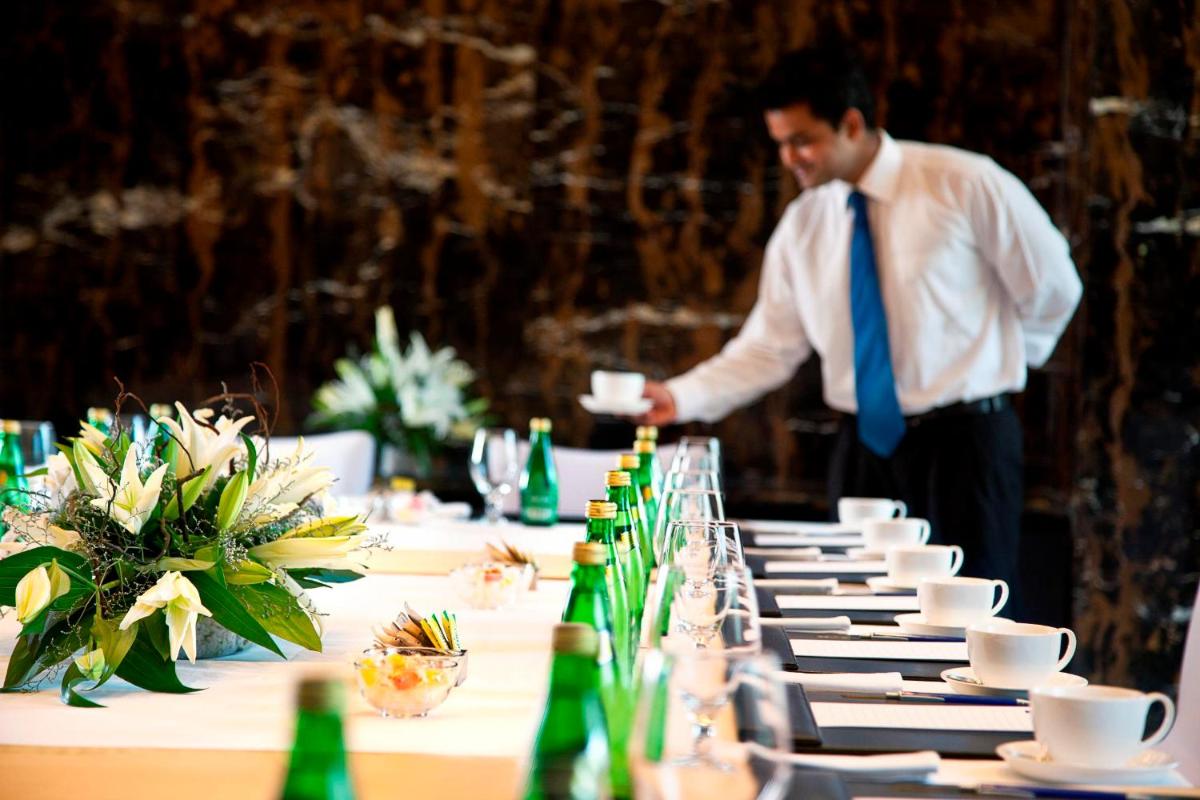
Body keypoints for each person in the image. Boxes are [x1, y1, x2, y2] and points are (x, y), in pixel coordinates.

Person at [640, 45, 1082, 612]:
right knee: (859, 614)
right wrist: (679, 396)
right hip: (862, 452)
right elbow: (770, 346)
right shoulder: (804, 222)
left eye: (801, 140)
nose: (788, 158)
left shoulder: (966, 183)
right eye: (779, 142)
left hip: (965, 447)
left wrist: (1000, 364)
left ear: (851, 124)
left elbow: (1054, 290)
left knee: (973, 620)